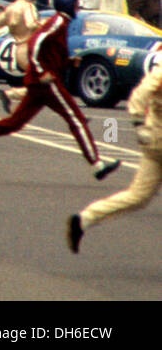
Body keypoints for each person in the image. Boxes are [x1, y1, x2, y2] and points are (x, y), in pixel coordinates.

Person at [0, 0, 121, 180]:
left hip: (39, 82)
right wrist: (42, 71)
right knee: (76, 119)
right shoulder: (59, 21)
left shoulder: (62, 22)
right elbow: (35, 42)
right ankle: (97, 164)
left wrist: (68, 62)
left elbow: (49, 51)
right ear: (68, 4)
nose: (78, 6)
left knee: (15, 123)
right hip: (46, 82)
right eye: (75, 3)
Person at [68, 57, 162, 253]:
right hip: (157, 138)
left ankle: (85, 219)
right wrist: (138, 123)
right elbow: (139, 95)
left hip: (153, 140)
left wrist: (140, 124)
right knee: (139, 195)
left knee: (138, 196)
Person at [0, 0, 43, 114]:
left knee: (43, 84)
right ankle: (11, 95)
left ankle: (11, 96)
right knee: (45, 83)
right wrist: (46, 26)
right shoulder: (28, 6)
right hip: (29, 48)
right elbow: (32, 24)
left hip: (17, 49)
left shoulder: (11, 8)